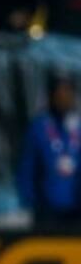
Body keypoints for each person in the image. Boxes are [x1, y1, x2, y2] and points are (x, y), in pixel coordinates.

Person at [17, 74, 81, 227]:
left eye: (68, 94)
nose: (64, 99)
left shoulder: (77, 126)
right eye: (59, 94)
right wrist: (30, 200)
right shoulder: (39, 127)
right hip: (47, 210)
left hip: (76, 207)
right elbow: (27, 167)